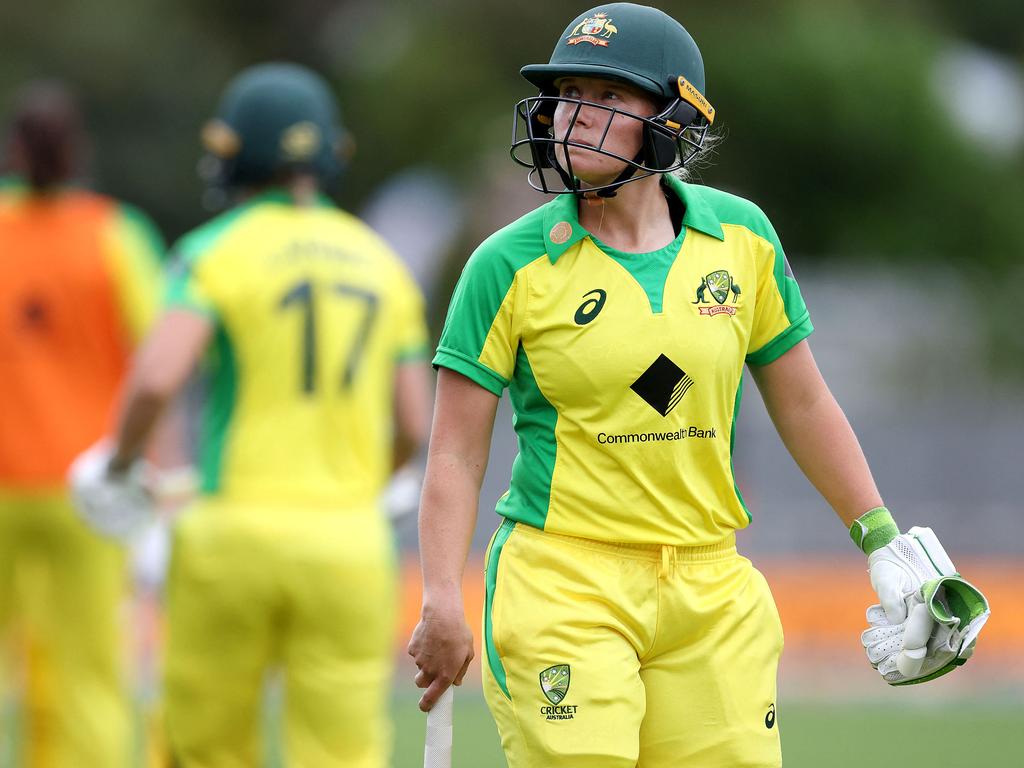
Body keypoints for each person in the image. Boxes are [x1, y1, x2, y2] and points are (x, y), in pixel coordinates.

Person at [408, 4, 988, 767]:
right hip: (563, 582)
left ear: (673, 118)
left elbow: (805, 401)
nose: (572, 116)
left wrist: (878, 535)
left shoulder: (743, 236)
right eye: (567, 93)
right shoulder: (506, 265)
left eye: (608, 97)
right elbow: (453, 454)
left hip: (712, 585)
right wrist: (442, 597)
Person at [73, 62, 432, 766]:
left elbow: (156, 381)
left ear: (236, 150)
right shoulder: (381, 262)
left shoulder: (216, 250)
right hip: (350, 546)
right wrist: (369, 483)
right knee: (342, 753)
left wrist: (118, 465)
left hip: (232, 535)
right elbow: (414, 426)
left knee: (205, 749)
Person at [0, 81, 165, 767]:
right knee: (91, 674)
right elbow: (157, 363)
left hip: (4, 485)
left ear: (14, 149)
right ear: (76, 152)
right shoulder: (117, 235)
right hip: (89, 492)